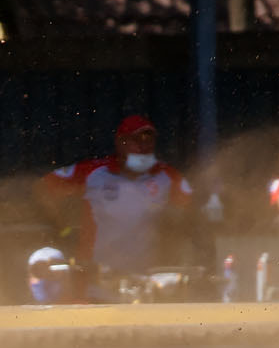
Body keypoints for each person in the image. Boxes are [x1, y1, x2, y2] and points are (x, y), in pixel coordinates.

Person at [38, 113, 195, 278]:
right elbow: (43, 188)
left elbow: (193, 211)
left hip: (146, 278)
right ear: (121, 142)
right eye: (137, 140)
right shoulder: (94, 172)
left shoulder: (167, 176)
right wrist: (64, 229)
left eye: (148, 140)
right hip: (95, 276)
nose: (144, 146)